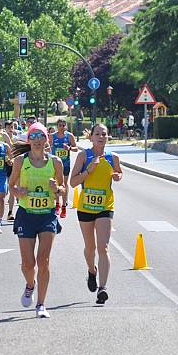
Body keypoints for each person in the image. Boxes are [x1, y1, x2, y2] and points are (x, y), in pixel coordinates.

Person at [9, 122, 65, 318]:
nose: (37, 140)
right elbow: (11, 185)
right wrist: (18, 191)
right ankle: (30, 284)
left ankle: (41, 304)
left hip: (47, 215)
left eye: (41, 137)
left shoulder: (55, 162)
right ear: (28, 140)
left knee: (43, 261)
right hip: (26, 214)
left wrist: (56, 189)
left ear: (46, 140)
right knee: (27, 264)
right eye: (33, 137)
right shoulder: (20, 162)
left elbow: (63, 189)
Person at [69, 123, 123, 305]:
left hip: (105, 207)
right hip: (85, 207)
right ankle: (91, 271)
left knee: (103, 247)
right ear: (90, 137)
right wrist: (88, 170)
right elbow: (73, 183)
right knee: (90, 248)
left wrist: (117, 176)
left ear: (108, 137)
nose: (101, 136)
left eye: (104, 134)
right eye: (97, 134)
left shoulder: (113, 157)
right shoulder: (84, 156)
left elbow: (119, 173)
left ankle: (103, 288)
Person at [48, 118, 77, 219]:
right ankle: (57, 204)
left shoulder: (69, 136)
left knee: (64, 184)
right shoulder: (52, 136)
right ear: (57, 126)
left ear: (66, 126)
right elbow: (46, 147)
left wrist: (69, 148)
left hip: (65, 163)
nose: (62, 127)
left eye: (63, 125)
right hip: (55, 164)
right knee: (55, 184)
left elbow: (76, 148)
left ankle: (64, 206)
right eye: (60, 125)